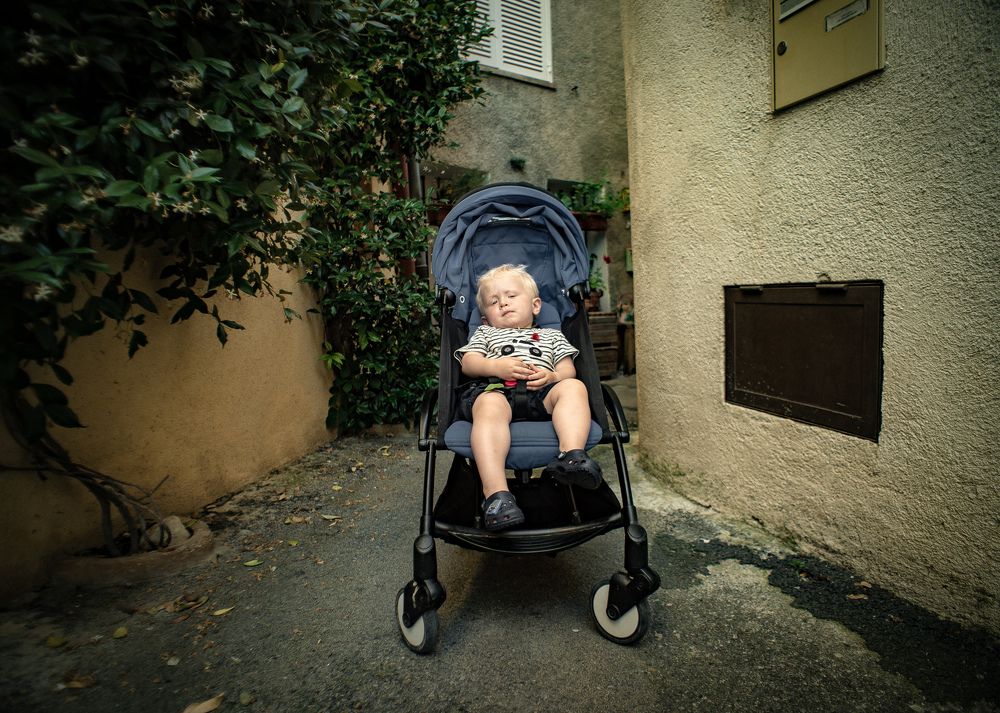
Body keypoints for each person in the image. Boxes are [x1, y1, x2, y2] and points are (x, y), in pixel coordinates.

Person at [455, 264, 603, 531]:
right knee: (488, 405)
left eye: (511, 296)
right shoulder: (486, 333)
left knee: (574, 387)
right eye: (493, 301)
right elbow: (468, 362)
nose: (503, 303)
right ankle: (497, 497)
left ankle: (571, 456)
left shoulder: (551, 335)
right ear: (485, 317)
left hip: (542, 392)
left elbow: (567, 368)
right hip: (496, 390)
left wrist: (552, 377)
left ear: (536, 306)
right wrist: (495, 366)